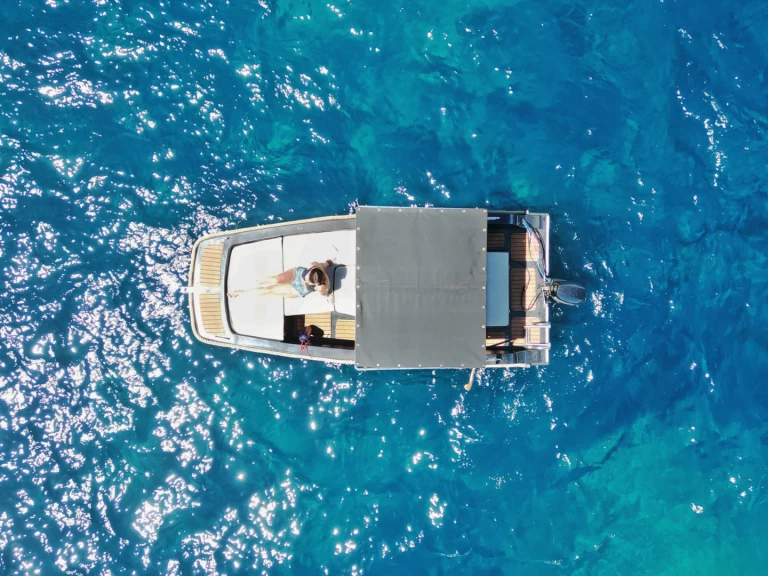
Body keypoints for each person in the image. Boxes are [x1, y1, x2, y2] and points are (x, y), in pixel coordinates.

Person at [229, 260, 333, 298]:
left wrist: (326, 293)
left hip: (298, 289)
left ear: (315, 284)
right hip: (296, 274)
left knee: (269, 290)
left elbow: (324, 293)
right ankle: (258, 281)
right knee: (276, 279)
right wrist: (328, 263)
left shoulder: (321, 286)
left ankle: (242, 293)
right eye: (307, 276)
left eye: (308, 281)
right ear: (312, 269)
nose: (305, 280)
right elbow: (322, 265)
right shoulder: (315, 265)